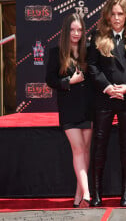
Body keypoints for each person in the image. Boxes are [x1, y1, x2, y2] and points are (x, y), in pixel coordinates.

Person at [87, 0, 126, 207]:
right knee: (100, 145)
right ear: (107, 16)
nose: (116, 18)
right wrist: (108, 87)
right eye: (113, 14)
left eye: (120, 14)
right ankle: (96, 194)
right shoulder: (97, 36)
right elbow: (92, 67)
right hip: (104, 97)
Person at [46, 13, 93, 208]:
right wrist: (69, 82)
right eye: (72, 29)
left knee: (85, 151)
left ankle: (78, 196)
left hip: (88, 108)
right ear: (66, 31)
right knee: (79, 149)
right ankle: (88, 194)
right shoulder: (56, 53)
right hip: (68, 110)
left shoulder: (89, 52)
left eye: (79, 30)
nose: (76, 33)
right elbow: (50, 81)